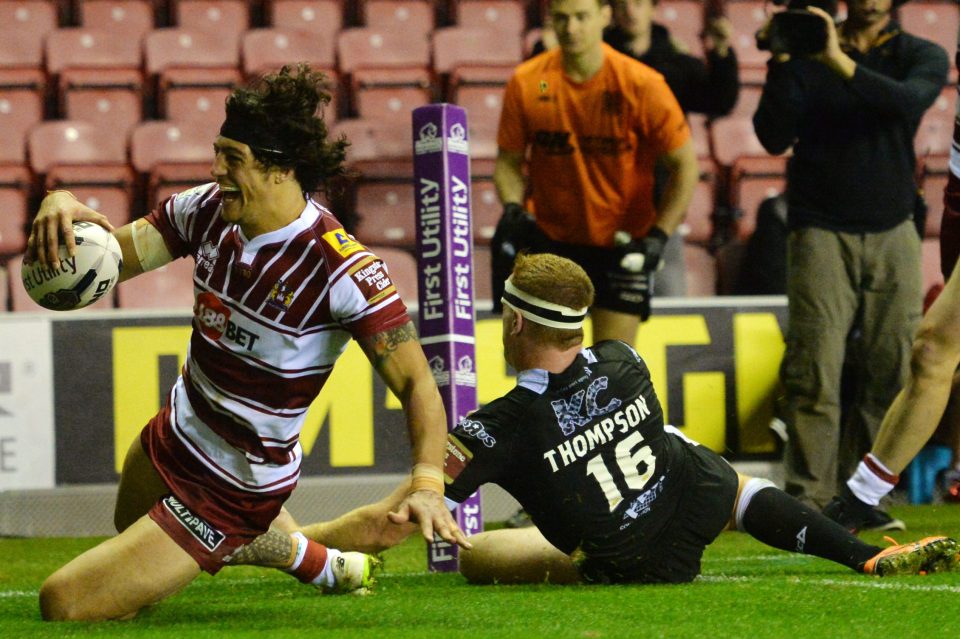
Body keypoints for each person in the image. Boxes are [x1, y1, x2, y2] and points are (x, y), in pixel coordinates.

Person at [27, 64, 468, 622]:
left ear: (281, 169)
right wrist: (60, 201)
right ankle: (320, 559)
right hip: (178, 429)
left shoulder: (341, 269)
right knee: (129, 523)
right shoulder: (206, 210)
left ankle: (273, 537)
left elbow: (417, 383)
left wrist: (427, 482)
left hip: (238, 481)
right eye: (218, 153)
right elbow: (107, 263)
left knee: (65, 603)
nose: (216, 170)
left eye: (233, 159)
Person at [294, 253, 959, 583]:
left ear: (517, 320)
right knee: (687, 454)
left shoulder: (496, 428)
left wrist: (294, 540)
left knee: (479, 555)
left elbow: (389, 521)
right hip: (693, 502)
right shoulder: (624, 357)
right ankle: (863, 554)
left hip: (628, 560)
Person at [752, 0, 949, 514]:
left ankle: (862, 496)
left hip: (895, 225)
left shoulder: (918, 52)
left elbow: (907, 102)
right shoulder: (807, 48)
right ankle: (809, 499)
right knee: (814, 366)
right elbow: (772, 135)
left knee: (892, 368)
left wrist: (835, 59)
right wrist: (782, 59)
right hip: (820, 226)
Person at [491, 0, 699, 342]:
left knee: (611, 366)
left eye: (581, 17)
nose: (571, 28)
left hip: (621, 243)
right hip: (551, 242)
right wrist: (512, 206)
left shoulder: (642, 84)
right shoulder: (529, 82)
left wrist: (659, 236)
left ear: (605, 16)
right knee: (549, 369)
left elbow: (686, 166)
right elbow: (508, 161)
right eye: (561, 18)